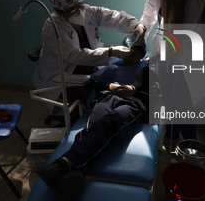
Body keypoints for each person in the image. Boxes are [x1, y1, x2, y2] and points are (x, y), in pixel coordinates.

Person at [36, 37, 160, 200]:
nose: (128, 58)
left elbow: (155, 95)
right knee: (93, 125)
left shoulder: (147, 70)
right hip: (106, 98)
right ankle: (76, 172)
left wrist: (134, 91)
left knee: (111, 121)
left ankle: (63, 164)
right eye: (126, 54)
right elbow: (98, 83)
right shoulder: (114, 65)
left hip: (132, 103)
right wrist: (109, 86)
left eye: (133, 54)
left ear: (143, 54)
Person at [32, 0, 146, 124]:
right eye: (72, 11)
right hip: (61, 75)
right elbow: (74, 55)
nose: (78, 12)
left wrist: (138, 26)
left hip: (89, 70)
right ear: (60, 12)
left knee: (100, 98)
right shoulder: (53, 27)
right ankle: (77, 131)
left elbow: (116, 17)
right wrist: (111, 52)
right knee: (86, 105)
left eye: (80, 7)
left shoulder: (89, 11)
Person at [139, 0, 205, 141]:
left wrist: (153, 58)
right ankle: (170, 138)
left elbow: (183, 37)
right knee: (169, 98)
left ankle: (191, 147)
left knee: (183, 103)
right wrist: (139, 32)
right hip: (167, 50)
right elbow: (148, 14)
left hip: (186, 55)